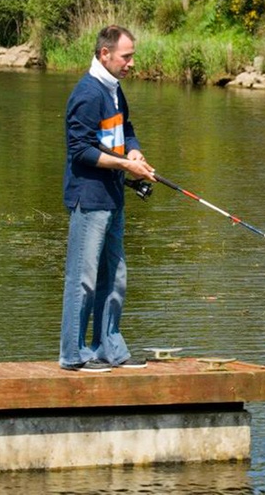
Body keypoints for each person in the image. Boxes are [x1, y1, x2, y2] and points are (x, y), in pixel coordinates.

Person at [59, 25, 157, 372]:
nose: (131, 63)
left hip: (113, 196)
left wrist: (135, 153)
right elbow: (80, 150)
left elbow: (125, 128)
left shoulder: (113, 89)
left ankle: (108, 349)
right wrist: (125, 165)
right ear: (105, 54)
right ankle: (73, 355)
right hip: (89, 198)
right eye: (126, 56)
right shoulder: (87, 93)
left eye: (132, 56)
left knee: (115, 277)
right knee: (82, 280)